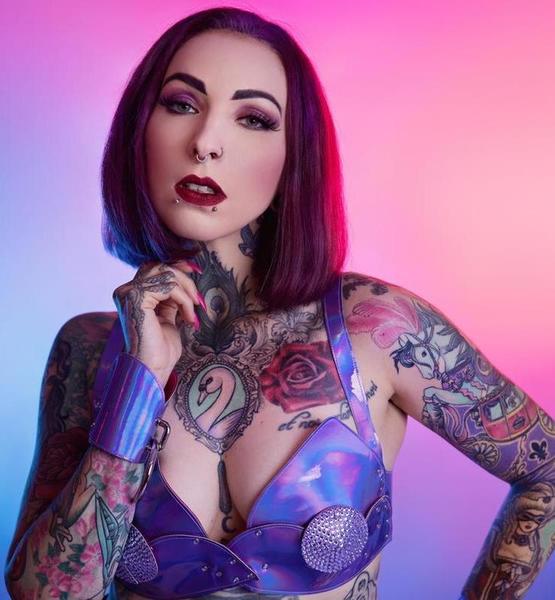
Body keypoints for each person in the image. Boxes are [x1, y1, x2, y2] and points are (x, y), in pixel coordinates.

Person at [4, 6, 554, 600]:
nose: (205, 143)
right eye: (182, 105)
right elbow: (45, 593)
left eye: (253, 119)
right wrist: (139, 385)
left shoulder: (376, 327)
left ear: (295, 154)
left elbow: (546, 470)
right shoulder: (90, 350)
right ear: (140, 130)